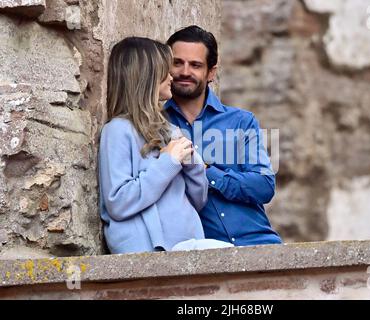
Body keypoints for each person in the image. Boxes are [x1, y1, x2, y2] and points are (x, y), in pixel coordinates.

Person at [98, 37, 233, 254]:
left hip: (189, 242)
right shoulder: (117, 130)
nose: (172, 76)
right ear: (148, 77)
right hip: (148, 248)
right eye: (165, 71)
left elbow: (198, 199)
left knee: (236, 259)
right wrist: (168, 162)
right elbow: (118, 202)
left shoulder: (170, 131)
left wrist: (191, 162)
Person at [165, 26, 282, 246]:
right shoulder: (156, 124)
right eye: (177, 62)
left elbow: (264, 185)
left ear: (211, 72)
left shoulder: (241, 122)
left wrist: (205, 171)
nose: (185, 72)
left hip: (258, 242)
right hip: (200, 252)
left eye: (196, 65)